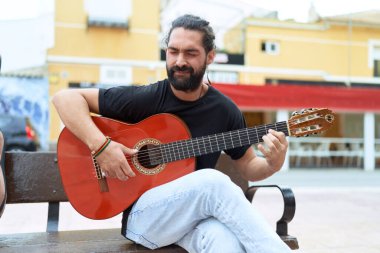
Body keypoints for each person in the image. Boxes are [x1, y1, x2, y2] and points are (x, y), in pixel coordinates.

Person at [53, 14, 291, 253]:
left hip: (194, 217)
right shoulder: (148, 98)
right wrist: (102, 147)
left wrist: (272, 163)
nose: (179, 61)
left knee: (225, 243)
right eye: (173, 51)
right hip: (145, 219)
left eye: (190, 53)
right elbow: (64, 98)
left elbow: (248, 164)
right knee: (212, 182)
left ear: (210, 56)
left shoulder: (224, 110)